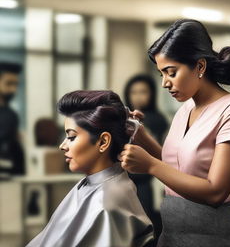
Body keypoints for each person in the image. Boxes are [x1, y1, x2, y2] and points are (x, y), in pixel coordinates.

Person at [119, 19, 230, 247]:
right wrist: (140, 134)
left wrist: (150, 166)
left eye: (171, 72)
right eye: (161, 74)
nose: (164, 83)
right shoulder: (186, 109)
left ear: (200, 67)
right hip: (171, 234)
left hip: (214, 238)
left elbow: (216, 191)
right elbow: (177, 167)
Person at [26, 90, 154, 247]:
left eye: (71, 137)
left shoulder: (107, 204)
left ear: (103, 142)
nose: (62, 146)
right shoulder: (92, 184)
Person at [124, 74, 168, 244]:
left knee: (149, 227)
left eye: (143, 91)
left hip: (149, 182)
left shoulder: (159, 121)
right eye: (134, 92)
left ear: (152, 94)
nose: (138, 96)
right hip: (126, 180)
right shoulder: (123, 119)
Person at [0, 61, 25, 178]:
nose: (13, 90)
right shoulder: (9, 116)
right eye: (9, 84)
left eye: (15, 85)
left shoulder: (10, 114)